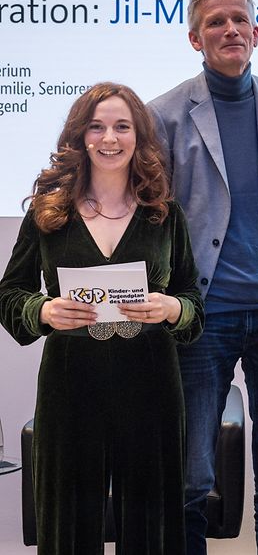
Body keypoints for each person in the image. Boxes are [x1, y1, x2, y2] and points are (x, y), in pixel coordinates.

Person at [0, 83, 205, 554]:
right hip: (71, 384)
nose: (109, 138)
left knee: (153, 520)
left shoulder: (164, 214)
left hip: (151, 382)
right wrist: (42, 310)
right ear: (80, 136)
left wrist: (173, 308)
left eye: (121, 127)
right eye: (96, 127)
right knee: (68, 518)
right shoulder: (48, 214)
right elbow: (9, 294)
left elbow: (192, 300)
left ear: (139, 137)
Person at [148, 0, 258, 555]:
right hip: (203, 315)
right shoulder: (162, 114)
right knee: (192, 477)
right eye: (216, 22)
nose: (230, 29)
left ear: (256, 34)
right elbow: (157, 217)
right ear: (196, 38)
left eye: (240, 20)